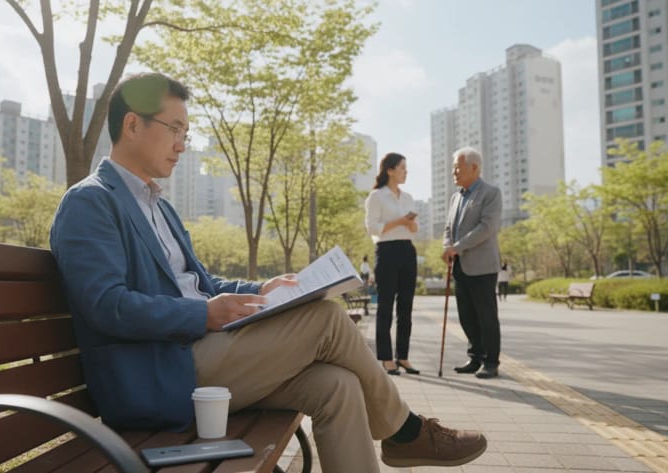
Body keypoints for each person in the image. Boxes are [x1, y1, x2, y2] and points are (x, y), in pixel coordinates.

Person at [49, 73, 487, 472]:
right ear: (132, 125)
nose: (182, 142)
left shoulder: (157, 204)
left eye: (186, 131)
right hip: (162, 370)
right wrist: (203, 316)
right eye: (175, 129)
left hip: (205, 355)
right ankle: (407, 433)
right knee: (327, 319)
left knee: (338, 385)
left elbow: (201, 284)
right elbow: (106, 306)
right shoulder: (91, 202)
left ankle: (400, 438)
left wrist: (263, 289)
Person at [441, 147, 503, 379]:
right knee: (466, 314)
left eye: (458, 166)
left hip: (483, 266)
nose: (453, 172)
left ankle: (491, 361)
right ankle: (475, 356)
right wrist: (447, 246)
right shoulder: (456, 197)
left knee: (486, 315)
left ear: (474, 168)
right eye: (453, 167)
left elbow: (487, 227)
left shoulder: (491, 193)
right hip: (459, 266)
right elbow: (448, 228)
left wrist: (456, 247)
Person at [365, 153, 420, 376]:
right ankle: (387, 358)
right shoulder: (376, 196)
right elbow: (372, 228)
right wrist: (400, 221)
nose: (405, 172)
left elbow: (415, 229)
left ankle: (403, 357)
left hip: (408, 250)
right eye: (402, 168)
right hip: (387, 252)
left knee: (406, 307)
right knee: (386, 306)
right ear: (390, 170)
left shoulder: (408, 197)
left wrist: (411, 224)